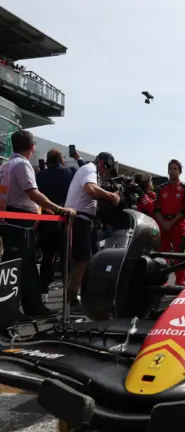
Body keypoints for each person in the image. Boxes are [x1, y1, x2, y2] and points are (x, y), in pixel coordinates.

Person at [0, 130, 76, 319]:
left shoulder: (5, 164)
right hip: (20, 221)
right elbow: (33, 193)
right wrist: (59, 209)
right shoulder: (22, 165)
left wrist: (46, 209)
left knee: (14, 265)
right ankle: (33, 309)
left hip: (9, 219)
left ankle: (14, 308)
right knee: (25, 265)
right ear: (32, 146)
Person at [64, 151, 120, 314]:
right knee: (83, 260)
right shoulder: (90, 169)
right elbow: (90, 189)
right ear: (103, 164)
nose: (106, 173)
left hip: (86, 219)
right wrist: (111, 196)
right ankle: (72, 298)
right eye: (106, 169)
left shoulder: (91, 170)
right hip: (79, 218)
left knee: (92, 259)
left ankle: (82, 295)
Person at [36, 148, 86, 303]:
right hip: (66, 220)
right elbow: (85, 171)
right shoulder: (69, 172)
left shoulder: (39, 175)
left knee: (46, 258)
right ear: (61, 159)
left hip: (45, 221)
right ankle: (68, 295)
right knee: (66, 260)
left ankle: (43, 293)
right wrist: (78, 158)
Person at [154, 159, 185, 286]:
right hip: (162, 223)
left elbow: (184, 209)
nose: (172, 171)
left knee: (180, 255)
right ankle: (161, 282)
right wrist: (163, 222)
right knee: (161, 254)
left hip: (178, 224)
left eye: (175, 169)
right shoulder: (160, 188)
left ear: (180, 172)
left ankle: (180, 282)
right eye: (170, 168)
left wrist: (171, 223)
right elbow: (156, 207)